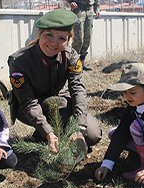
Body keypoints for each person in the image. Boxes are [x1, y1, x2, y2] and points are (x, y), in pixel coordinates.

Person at [7, 8, 102, 155]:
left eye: (61, 38)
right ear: (39, 34)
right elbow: (28, 102)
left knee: (93, 135)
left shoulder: (71, 56)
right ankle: (45, 133)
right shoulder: (19, 61)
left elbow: (77, 90)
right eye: (49, 35)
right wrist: (48, 133)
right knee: (59, 104)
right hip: (29, 108)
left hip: (59, 103)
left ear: (68, 40)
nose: (53, 43)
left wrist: (79, 127)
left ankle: (54, 134)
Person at [66, 0, 100, 71]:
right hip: (79, 9)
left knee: (88, 37)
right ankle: (73, 63)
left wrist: (97, 9)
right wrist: (70, 2)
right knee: (79, 39)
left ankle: (82, 62)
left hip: (89, 10)